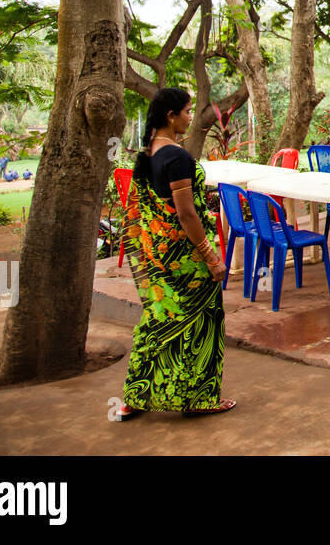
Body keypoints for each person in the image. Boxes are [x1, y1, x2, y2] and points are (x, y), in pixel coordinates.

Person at [114, 87, 234, 420]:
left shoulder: (150, 153)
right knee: (204, 323)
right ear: (171, 116)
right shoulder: (177, 158)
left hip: (159, 256)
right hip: (187, 259)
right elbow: (186, 214)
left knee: (157, 321)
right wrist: (210, 256)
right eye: (187, 111)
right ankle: (198, 399)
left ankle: (135, 396)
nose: (190, 117)